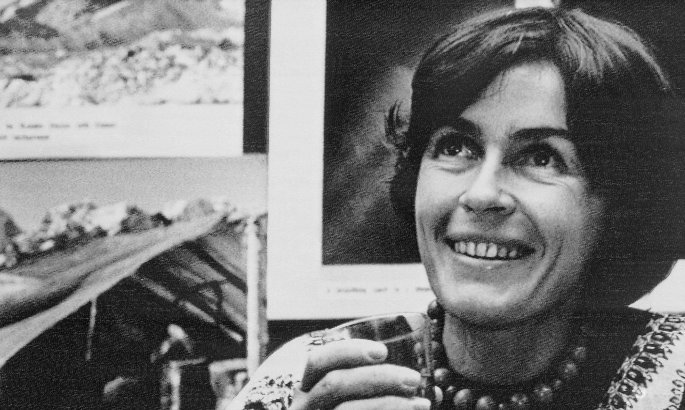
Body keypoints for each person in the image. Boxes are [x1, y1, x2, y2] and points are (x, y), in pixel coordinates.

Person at [228, 6, 685, 410]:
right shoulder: (304, 382)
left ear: (620, 205)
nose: (481, 194)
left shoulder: (673, 375)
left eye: (541, 157)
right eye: (456, 147)